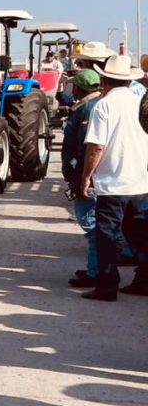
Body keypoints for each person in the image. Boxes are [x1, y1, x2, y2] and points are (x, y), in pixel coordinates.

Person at [79, 55, 148, 301]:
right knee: (140, 236)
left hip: (112, 184)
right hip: (140, 181)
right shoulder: (142, 101)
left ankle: (107, 286)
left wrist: (86, 176)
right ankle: (144, 280)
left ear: (105, 80)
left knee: (107, 236)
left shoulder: (104, 106)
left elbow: (96, 146)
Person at [60, 69, 102, 287]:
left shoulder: (87, 109)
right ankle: (96, 268)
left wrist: (80, 178)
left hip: (85, 174)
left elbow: (84, 148)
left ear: (78, 88)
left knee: (91, 223)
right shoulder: (91, 104)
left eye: (73, 86)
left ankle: (96, 272)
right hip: (87, 173)